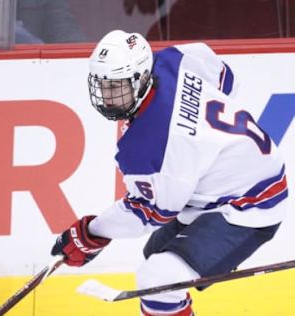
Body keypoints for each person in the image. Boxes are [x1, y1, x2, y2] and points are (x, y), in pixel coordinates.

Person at [51, 30, 288, 315]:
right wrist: (200, 134)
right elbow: (226, 79)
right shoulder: (173, 60)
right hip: (236, 180)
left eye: (116, 87)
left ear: (140, 79)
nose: (106, 97)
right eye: (102, 85)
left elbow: (148, 216)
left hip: (250, 204)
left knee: (158, 278)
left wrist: (91, 232)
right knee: (155, 255)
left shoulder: (152, 143)